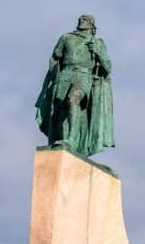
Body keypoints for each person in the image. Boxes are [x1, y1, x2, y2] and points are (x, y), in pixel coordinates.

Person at [35, 14, 114, 156]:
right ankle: (65, 140)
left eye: (85, 19)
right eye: (80, 19)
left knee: (73, 99)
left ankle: (71, 139)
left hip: (83, 76)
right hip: (65, 75)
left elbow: (107, 67)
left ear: (92, 25)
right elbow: (55, 58)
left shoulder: (97, 43)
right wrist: (55, 74)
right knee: (63, 110)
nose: (81, 20)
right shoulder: (66, 38)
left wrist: (97, 53)